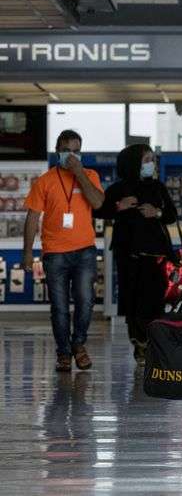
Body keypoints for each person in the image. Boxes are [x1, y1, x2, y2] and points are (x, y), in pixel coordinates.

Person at [22, 130, 105, 372]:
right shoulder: (45, 181)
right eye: (67, 150)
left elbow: (98, 203)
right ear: (58, 151)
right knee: (59, 306)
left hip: (85, 251)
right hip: (55, 253)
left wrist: (78, 173)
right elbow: (32, 217)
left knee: (85, 301)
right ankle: (64, 353)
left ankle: (78, 344)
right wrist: (27, 252)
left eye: (76, 150)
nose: (72, 155)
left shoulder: (90, 175)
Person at [94, 144, 178, 365]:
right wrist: (119, 207)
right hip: (128, 253)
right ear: (134, 163)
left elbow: (171, 214)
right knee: (133, 301)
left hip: (156, 255)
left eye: (152, 159)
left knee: (155, 300)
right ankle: (139, 344)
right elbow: (99, 210)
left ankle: (153, 344)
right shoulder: (118, 189)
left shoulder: (158, 187)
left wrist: (156, 212)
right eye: (146, 159)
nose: (151, 163)